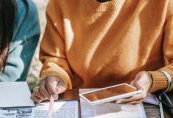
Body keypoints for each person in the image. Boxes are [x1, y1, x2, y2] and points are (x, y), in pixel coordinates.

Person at [31, 0, 173, 104]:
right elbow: (56, 59)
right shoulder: (60, 4)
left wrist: (154, 79)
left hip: (147, 105)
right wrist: (56, 76)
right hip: (82, 103)